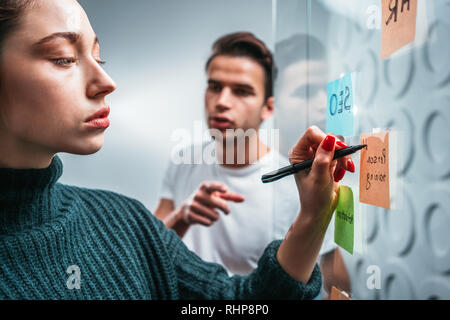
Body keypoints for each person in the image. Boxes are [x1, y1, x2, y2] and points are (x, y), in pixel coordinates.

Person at [0, 0, 353, 299]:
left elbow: (243, 301)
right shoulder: (179, 169)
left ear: (268, 107)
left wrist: (312, 214)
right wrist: (182, 217)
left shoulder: (123, 219)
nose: (107, 82)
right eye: (64, 57)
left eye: (99, 58)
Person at [154, 32, 348, 286]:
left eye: (242, 91)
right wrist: (181, 216)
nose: (221, 102)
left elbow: (337, 286)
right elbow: (148, 250)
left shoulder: (297, 184)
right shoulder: (183, 161)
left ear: (268, 107)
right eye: (214, 87)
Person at [275, 33, 352, 297]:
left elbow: (337, 284)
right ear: (272, 105)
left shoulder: (329, 172)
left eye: (326, 90)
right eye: (305, 92)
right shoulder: (259, 176)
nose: (323, 104)